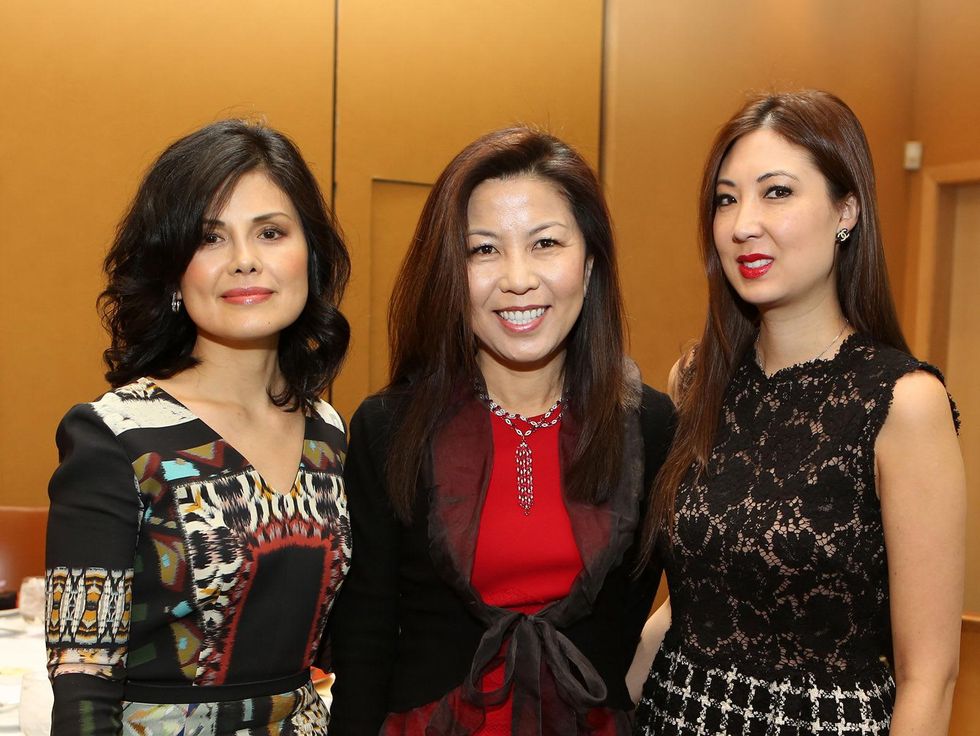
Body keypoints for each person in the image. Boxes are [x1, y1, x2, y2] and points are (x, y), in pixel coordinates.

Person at [631, 90, 965, 735]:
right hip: (673, 714)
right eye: (726, 199)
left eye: (776, 192)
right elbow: (694, 603)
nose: (742, 225)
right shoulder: (696, 380)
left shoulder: (901, 401)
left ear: (847, 210)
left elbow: (930, 676)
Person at [326, 126, 675, 735]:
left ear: (590, 263)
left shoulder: (648, 425)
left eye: (545, 243)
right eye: (483, 250)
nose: (517, 278)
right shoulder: (390, 428)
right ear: (451, 271)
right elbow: (365, 640)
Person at [44, 119, 352, 734]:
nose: (245, 261)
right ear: (173, 271)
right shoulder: (117, 436)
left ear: (310, 256)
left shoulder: (328, 430)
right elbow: (82, 687)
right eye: (210, 238)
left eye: (270, 232)